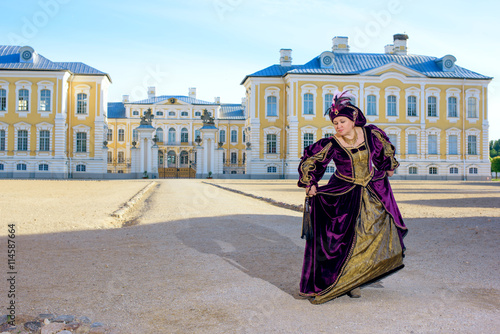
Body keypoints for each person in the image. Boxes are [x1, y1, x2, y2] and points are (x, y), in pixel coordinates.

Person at [297, 90, 408, 304]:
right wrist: (310, 183)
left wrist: (388, 165)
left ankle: (359, 276)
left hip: (372, 190)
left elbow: (383, 154)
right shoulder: (332, 143)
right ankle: (343, 281)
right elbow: (312, 161)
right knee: (339, 239)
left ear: (353, 119)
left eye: (342, 121)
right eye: (335, 122)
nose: (338, 126)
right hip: (343, 193)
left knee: (370, 234)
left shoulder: (370, 134)